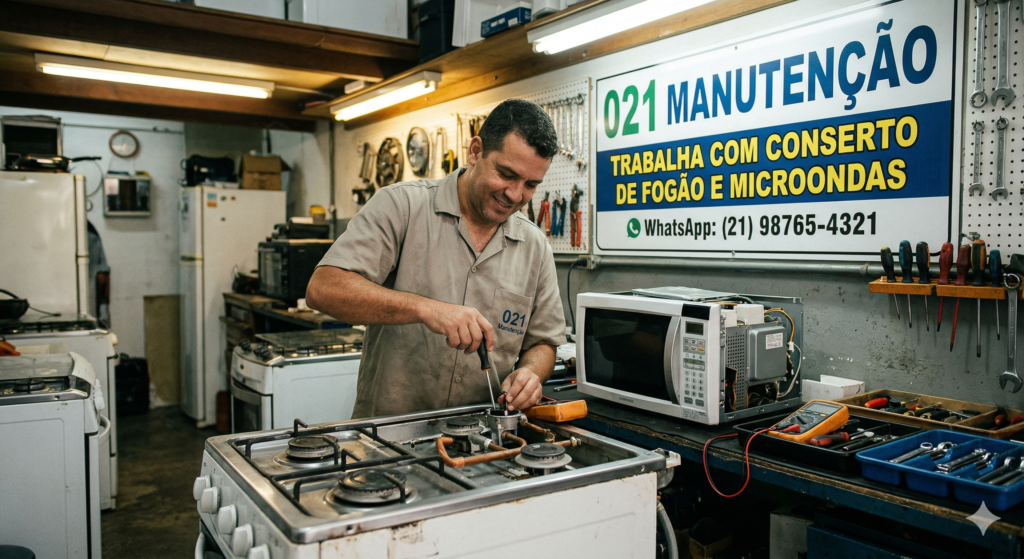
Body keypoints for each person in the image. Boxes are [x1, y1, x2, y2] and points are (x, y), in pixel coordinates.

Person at [306, 98, 567, 418]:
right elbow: (323, 289)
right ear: (475, 151)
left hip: (482, 441)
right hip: (389, 440)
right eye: (506, 174)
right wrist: (425, 308)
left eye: (530, 185)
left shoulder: (535, 247)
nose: (515, 194)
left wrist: (530, 374)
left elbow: (544, 343)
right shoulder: (401, 207)